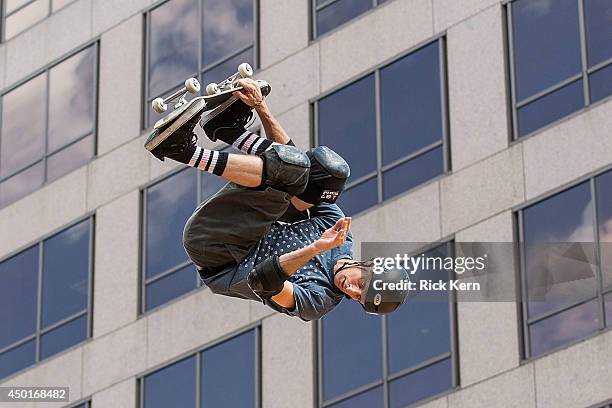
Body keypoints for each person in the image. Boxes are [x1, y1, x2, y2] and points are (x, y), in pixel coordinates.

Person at [144, 78, 409, 321]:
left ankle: (183, 151)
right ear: (368, 266)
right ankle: (227, 128)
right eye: (361, 284)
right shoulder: (339, 231)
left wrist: (315, 249)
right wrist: (260, 106)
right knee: (327, 174)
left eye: (356, 297)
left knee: (294, 170)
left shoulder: (319, 300)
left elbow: (265, 282)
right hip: (248, 224)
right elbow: (308, 170)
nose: (350, 289)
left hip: (218, 249)